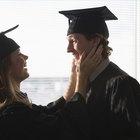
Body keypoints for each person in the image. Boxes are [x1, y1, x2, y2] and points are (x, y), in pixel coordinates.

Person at [0, 25, 102, 140]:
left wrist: (75, 74)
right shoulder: (12, 115)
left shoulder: (11, 105)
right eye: (18, 54)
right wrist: (83, 77)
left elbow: (48, 112)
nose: (26, 56)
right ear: (5, 68)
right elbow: (64, 127)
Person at [59, 6, 140, 140]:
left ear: (96, 40)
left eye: (74, 41)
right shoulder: (83, 83)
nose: (68, 49)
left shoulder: (121, 85)